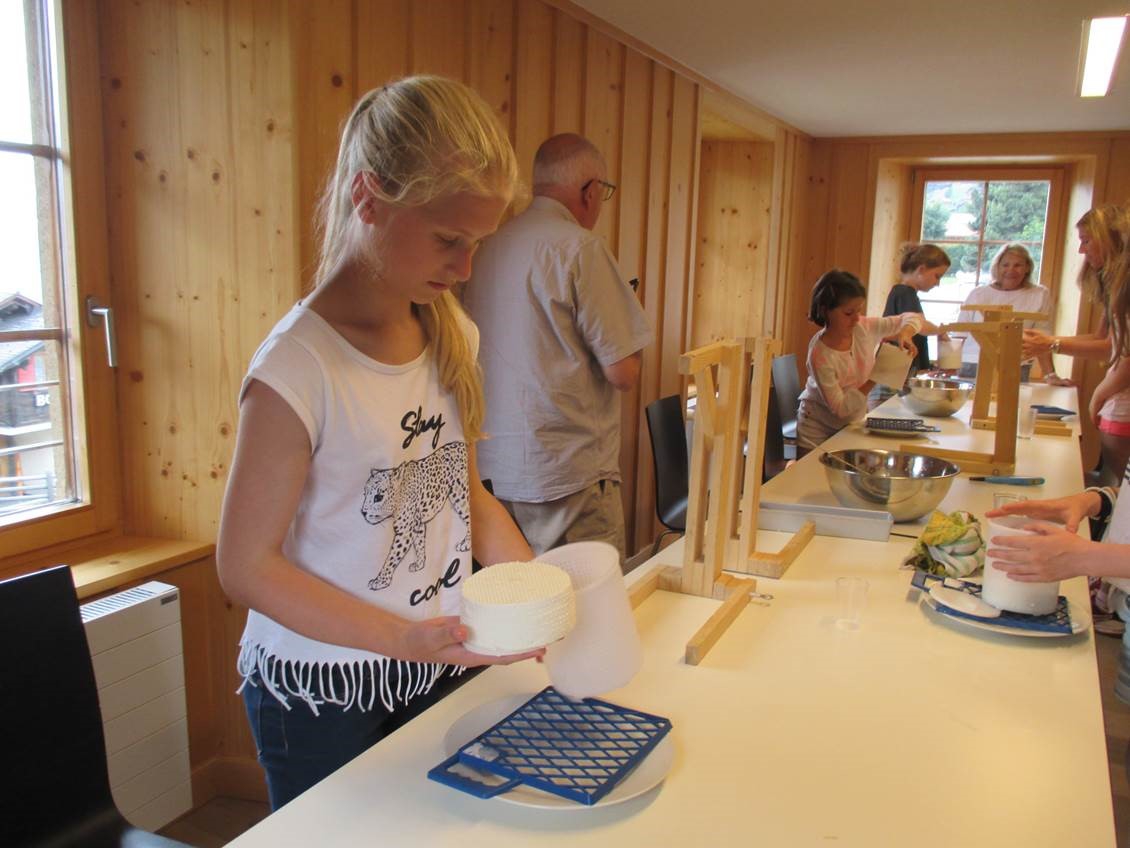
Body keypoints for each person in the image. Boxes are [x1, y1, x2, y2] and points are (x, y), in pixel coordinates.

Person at [215, 76, 543, 811]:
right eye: (449, 240)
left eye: (477, 244)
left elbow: (466, 494)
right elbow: (244, 567)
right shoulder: (299, 368)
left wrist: (537, 593)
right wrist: (398, 640)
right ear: (368, 199)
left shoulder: (449, 328)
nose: (464, 269)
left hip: (435, 658)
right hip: (322, 689)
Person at [462, 133, 653, 560]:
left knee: (519, 612)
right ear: (589, 192)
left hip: (493, 475)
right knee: (585, 614)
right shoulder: (581, 248)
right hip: (567, 477)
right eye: (603, 192)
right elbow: (624, 373)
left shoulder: (486, 246)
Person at [1024, 204, 1130, 487]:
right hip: (1117, 398)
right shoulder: (1114, 286)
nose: (1082, 250)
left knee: (1118, 491)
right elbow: (1102, 339)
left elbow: (1117, 350)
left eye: (1086, 241)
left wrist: (1099, 394)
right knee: (1114, 486)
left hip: (1121, 400)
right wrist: (1047, 343)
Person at [796, 269, 922, 453]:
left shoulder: (863, 327)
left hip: (851, 422)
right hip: (815, 428)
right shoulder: (820, 355)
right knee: (810, 479)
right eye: (848, 313)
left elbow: (913, 317)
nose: (856, 319)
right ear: (825, 311)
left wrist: (906, 333)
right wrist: (877, 375)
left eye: (859, 310)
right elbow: (840, 408)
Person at [955, 242, 1065, 384]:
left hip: (1016, 366)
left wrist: (1050, 375)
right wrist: (950, 366)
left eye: (1018, 265)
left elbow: (1041, 337)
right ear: (997, 267)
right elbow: (959, 334)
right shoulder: (978, 293)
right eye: (1005, 265)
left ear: (1027, 268)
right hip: (973, 364)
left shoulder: (1039, 294)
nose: (1011, 270)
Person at [868, 242, 950, 407]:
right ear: (921, 270)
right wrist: (940, 330)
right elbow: (920, 324)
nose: (938, 283)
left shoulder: (905, 293)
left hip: (897, 368)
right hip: (892, 369)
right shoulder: (905, 292)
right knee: (883, 409)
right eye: (937, 276)